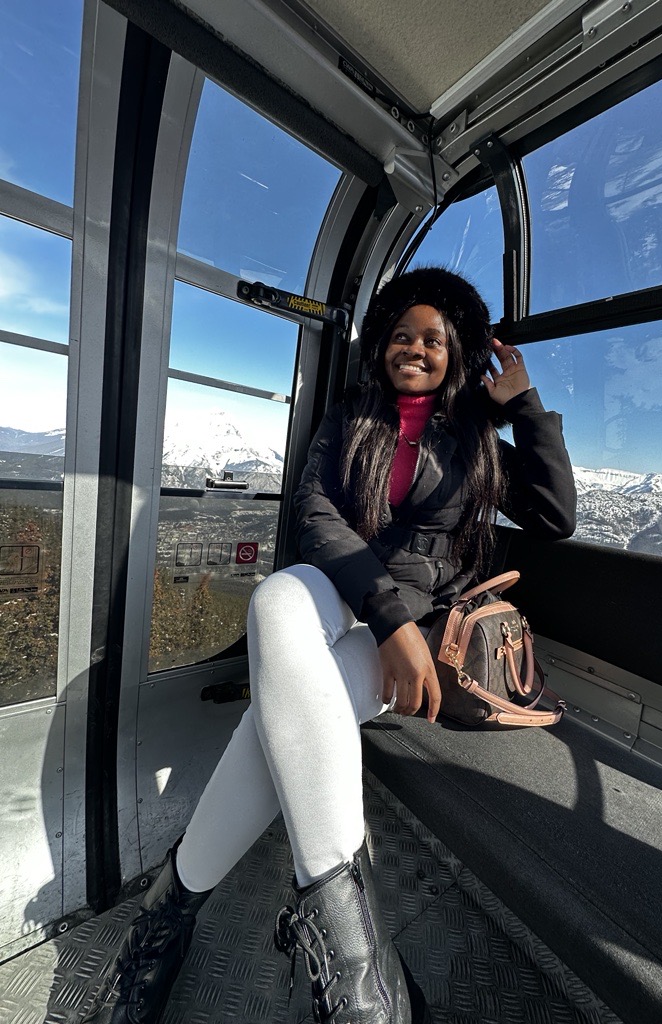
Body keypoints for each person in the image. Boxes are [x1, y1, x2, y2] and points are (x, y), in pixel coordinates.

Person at [84, 267, 576, 1024]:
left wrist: (525, 407)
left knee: (273, 721)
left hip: (420, 627)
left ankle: (163, 926)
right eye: (403, 335)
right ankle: (361, 982)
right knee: (279, 598)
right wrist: (387, 621)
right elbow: (315, 518)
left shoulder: (477, 441)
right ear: (382, 347)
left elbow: (555, 515)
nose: (415, 348)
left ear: (456, 354)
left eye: (434, 339)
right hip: (354, 601)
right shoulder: (351, 420)